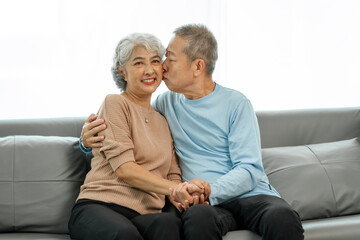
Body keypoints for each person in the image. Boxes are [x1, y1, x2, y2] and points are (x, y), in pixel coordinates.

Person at [80, 24, 304, 240]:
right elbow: (127, 132)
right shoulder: (164, 104)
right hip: (201, 204)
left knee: (281, 218)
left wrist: (208, 191)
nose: (162, 66)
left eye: (168, 59)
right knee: (197, 219)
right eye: (163, 58)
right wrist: (86, 142)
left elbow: (249, 169)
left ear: (198, 67)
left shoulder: (236, 103)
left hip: (248, 195)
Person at [69, 32, 206, 240]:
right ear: (122, 72)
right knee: (124, 235)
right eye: (139, 63)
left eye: (155, 61)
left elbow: (173, 175)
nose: (150, 70)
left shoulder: (163, 120)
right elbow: (125, 169)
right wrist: (175, 188)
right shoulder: (115, 103)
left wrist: (185, 194)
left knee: (169, 224)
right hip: (101, 206)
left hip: (144, 214)